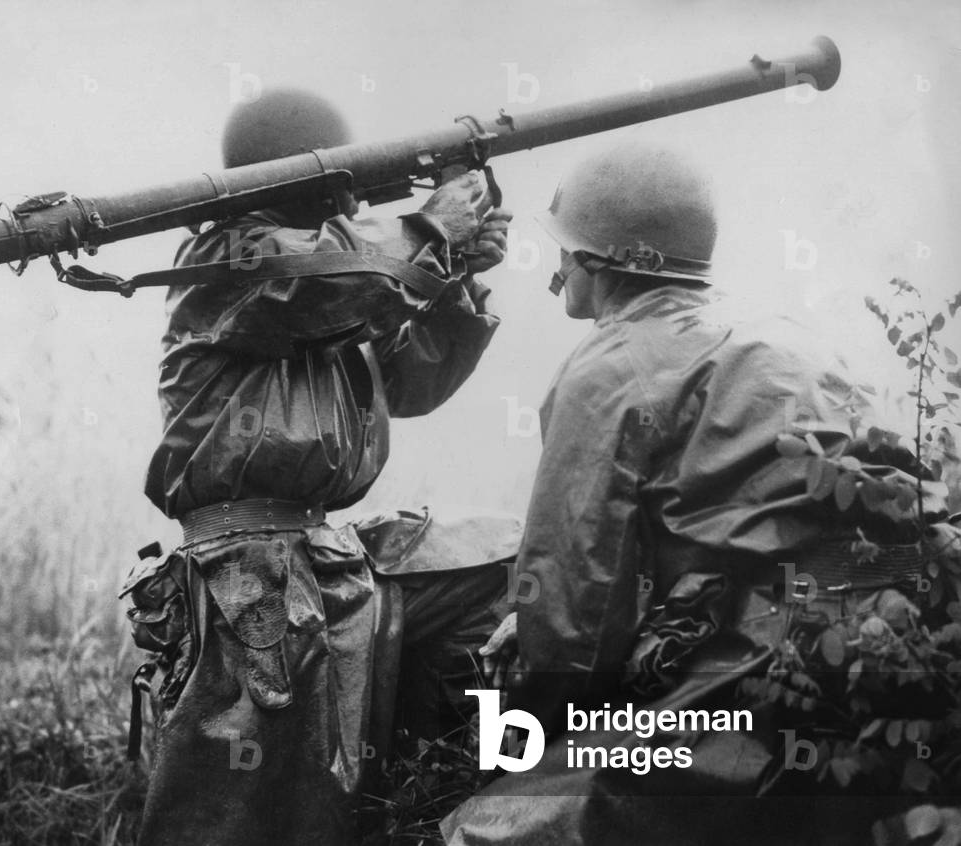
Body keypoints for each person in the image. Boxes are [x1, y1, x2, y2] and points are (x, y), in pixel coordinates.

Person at [443, 142, 961, 845]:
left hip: (741, 682)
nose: (558, 265)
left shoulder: (606, 369)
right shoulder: (790, 340)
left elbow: (574, 614)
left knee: (491, 829)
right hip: (877, 652)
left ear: (597, 261)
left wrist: (518, 743)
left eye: (564, 248)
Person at [121, 88, 514, 846]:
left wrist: (452, 269)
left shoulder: (338, 280)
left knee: (496, 568)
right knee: (244, 821)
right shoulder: (229, 256)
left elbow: (414, 382)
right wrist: (426, 228)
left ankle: (433, 795)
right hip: (251, 580)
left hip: (317, 559)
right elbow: (321, 284)